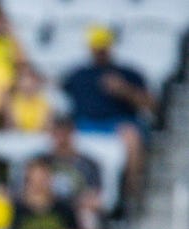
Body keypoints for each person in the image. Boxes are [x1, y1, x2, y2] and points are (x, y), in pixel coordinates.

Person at [61, 25, 155, 202]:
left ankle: (129, 195)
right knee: (59, 133)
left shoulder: (127, 73)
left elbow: (151, 105)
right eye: (96, 47)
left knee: (132, 137)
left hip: (116, 125)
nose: (99, 51)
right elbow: (57, 95)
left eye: (102, 47)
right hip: (84, 125)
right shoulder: (78, 74)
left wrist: (125, 90)